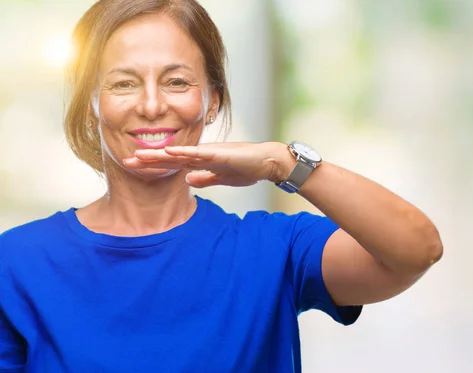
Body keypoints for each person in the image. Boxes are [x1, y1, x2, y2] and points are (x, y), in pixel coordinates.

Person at [0, 1, 443, 372]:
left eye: (176, 82)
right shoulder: (16, 263)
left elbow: (416, 249)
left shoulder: (274, 250)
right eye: (123, 83)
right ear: (91, 101)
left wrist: (282, 162)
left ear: (212, 100)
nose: (152, 105)